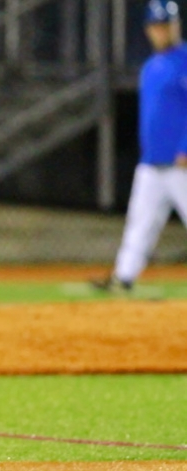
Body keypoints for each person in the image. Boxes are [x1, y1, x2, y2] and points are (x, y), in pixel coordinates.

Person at [93, 0, 187, 294]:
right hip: (151, 162)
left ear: (177, 25)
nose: (162, 31)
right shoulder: (150, 66)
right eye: (157, 26)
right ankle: (124, 278)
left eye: (166, 25)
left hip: (181, 162)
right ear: (149, 29)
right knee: (139, 224)